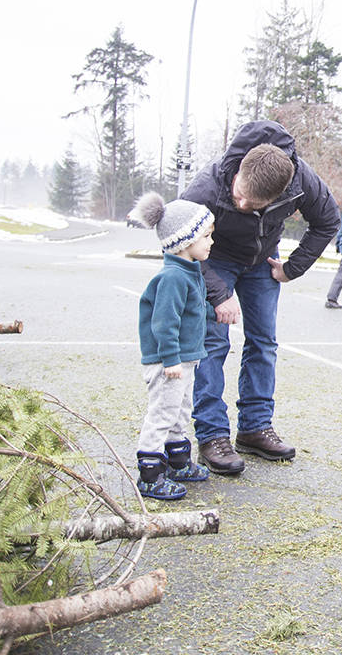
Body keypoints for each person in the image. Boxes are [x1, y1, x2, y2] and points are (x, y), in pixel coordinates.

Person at [182, 121, 340, 475]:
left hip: (262, 262)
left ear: (281, 195)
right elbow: (178, 242)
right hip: (214, 257)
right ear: (238, 171)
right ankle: (212, 434)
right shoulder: (206, 187)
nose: (240, 202)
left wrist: (292, 268)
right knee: (212, 342)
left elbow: (328, 220)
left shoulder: (301, 182)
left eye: (250, 204)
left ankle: (254, 427)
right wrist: (218, 294)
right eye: (238, 195)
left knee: (264, 343)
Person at [127, 192, 216, 500]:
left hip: (185, 359)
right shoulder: (173, 277)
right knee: (163, 412)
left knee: (180, 410)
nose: (211, 242)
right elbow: (164, 323)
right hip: (170, 362)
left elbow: (193, 311)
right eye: (206, 236)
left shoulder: (190, 272)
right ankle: (150, 474)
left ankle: (177, 461)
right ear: (184, 241)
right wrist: (171, 360)